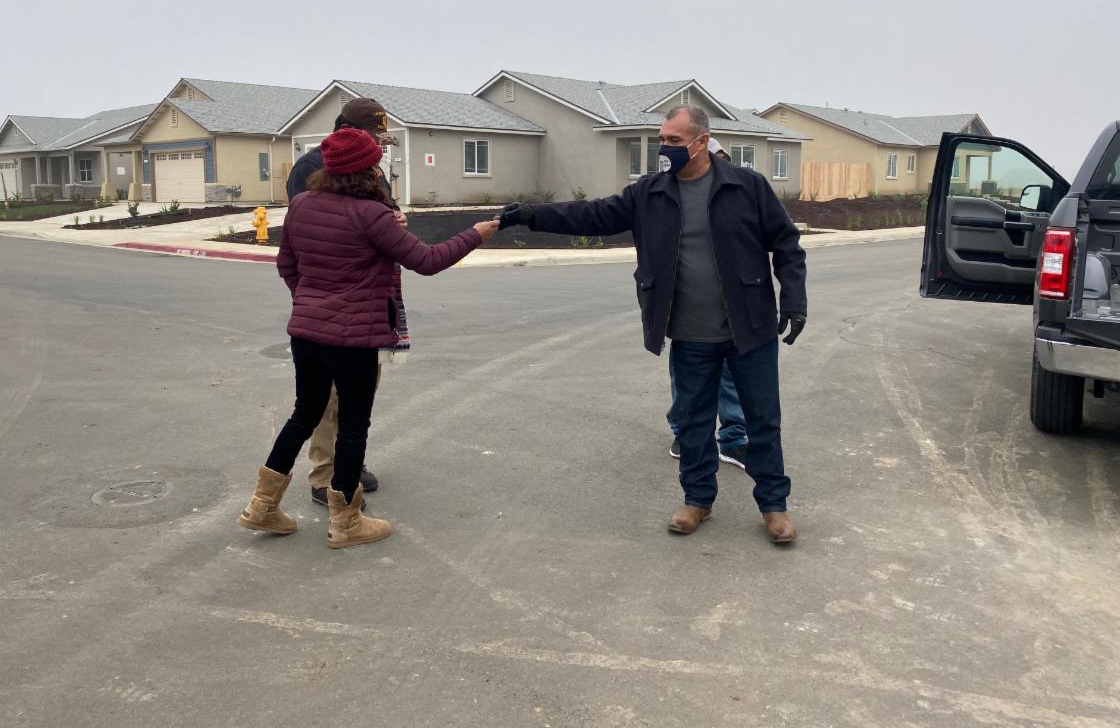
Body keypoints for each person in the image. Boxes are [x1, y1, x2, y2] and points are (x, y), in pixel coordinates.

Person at [499, 106, 806, 544]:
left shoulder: (746, 186)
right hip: (689, 332)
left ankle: (774, 506)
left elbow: (786, 244)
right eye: (662, 139)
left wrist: (793, 299)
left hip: (749, 329)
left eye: (674, 141)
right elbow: (594, 215)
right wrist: (533, 215)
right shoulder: (651, 192)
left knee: (763, 422)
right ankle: (697, 500)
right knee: (693, 423)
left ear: (702, 142)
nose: (664, 148)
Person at [238, 127, 500, 547]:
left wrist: (312, 302)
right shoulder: (372, 214)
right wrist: (475, 235)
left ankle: (262, 506)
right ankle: (346, 522)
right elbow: (427, 260)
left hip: (307, 332)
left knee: (304, 414)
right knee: (353, 426)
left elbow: (287, 265)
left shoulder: (302, 205)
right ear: (367, 170)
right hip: (353, 341)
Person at [285, 97, 399, 507]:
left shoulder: (373, 168)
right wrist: (312, 299)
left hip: (370, 298)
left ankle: (349, 463)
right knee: (327, 397)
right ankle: (324, 474)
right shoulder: (310, 167)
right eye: (373, 135)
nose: (379, 144)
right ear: (347, 129)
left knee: (360, 392)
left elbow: (381, 214)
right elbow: (302, 240)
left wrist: (395, 220)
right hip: (332, 304)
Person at [668, 136, 749, 467]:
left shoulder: (738, 198)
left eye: (722, 161)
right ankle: (684, 431)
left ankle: (733, 438)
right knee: (688, 379)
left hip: (730, 310)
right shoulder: (674, 198)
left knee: (730, 376)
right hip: (688, 311)